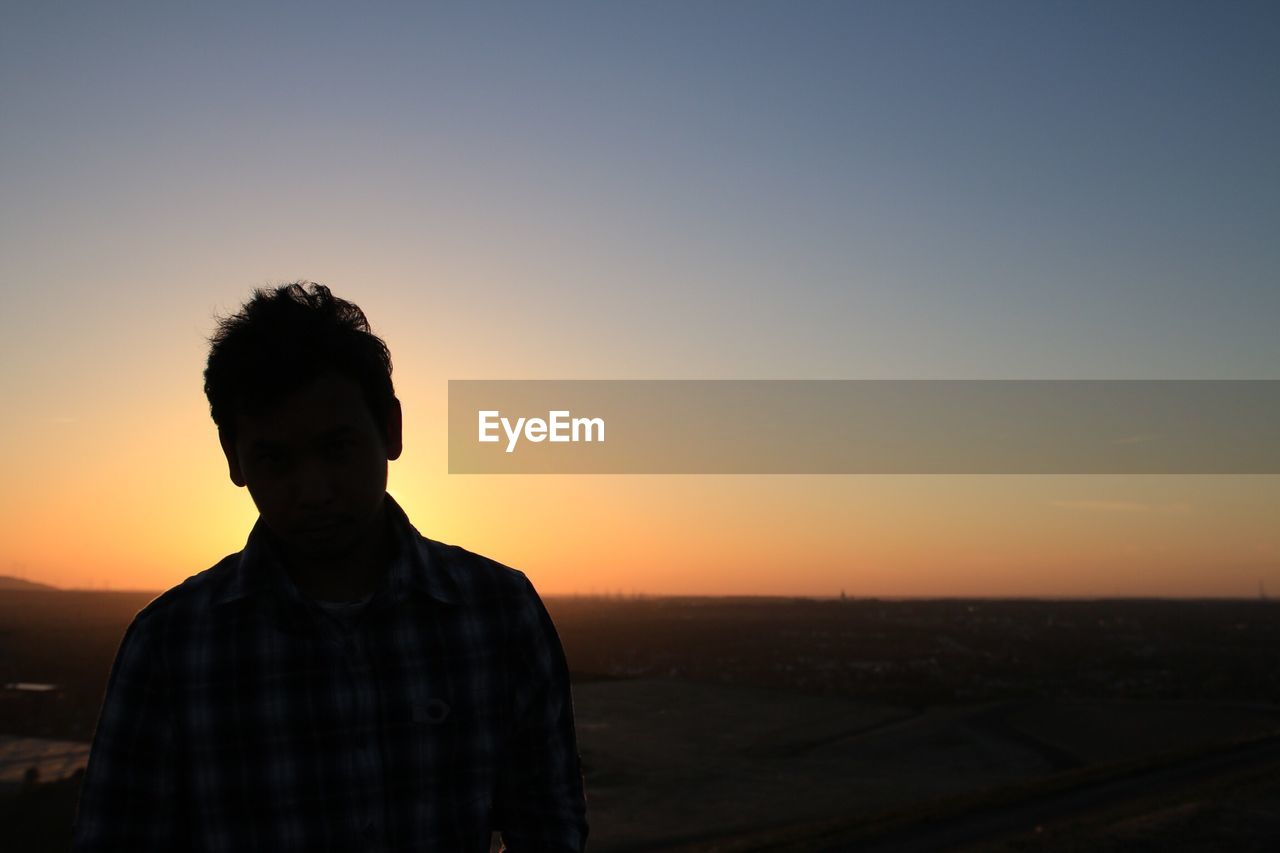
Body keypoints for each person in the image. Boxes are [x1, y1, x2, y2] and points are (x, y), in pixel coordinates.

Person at [70, 282, 589, 852]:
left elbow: (549, 826)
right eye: (276, 458)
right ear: (233, 457)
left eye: (337, 448)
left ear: (390, 430)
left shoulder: (498, 613)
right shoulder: (171, 645)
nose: (312, 490)